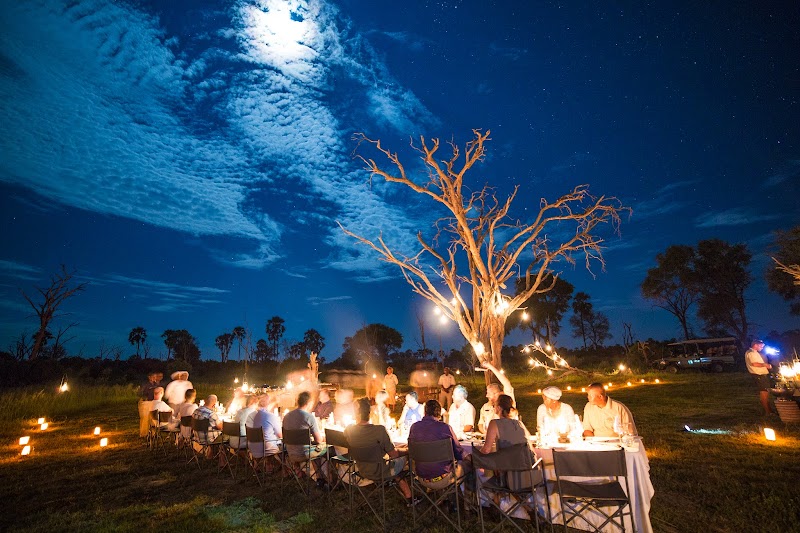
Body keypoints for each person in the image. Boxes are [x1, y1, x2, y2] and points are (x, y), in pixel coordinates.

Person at [345, 398, 414, 503]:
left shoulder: (349, 430)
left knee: (393, 455)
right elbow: (394, 454)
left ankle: (403, 489)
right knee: (404, 456)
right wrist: (407, 450)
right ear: (370, 413)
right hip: (381, 471)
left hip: (362, 469)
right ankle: (411, 495)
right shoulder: (379, 430)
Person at [408, 400, 466, 490]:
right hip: (443, 478)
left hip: (422, 478)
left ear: (425, 412)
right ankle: (470, 501)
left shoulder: (414, 427)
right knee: (468, 465)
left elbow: (411, 451)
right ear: (439, 413)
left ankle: (437, 498)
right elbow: (458, 453)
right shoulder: (445, 427)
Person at [283, 391, 329, 486]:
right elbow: (319, 440)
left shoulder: (286, 416)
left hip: (290, 452)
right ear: (308, 403)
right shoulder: (309, 417)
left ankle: (298, 470)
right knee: (325, 448)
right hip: (304, 454)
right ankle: (323, 478)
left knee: (311, 447)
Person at [477, 361, 515, 434]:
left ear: (498, 393)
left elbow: (506, 383)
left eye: (489, 393)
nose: (486, 396)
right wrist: (485, 433)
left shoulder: (507, 403)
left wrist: (490, 366)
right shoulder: (485, 407)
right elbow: (480, 423)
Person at [247, 394, 283, 471]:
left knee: (268, 437)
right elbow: (280, 435)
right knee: (284, 444)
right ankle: (287, 470)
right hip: (266, 448)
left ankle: (264, 465)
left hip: (252, 447)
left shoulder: (251, 415)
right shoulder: (271, 416)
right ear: (268, 403)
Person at [745, 339, 774, 415]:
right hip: (759, 376)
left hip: (761, 376)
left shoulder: (753, 352)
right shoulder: (751, 353)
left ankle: (769, 411)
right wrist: (766, 365)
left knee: (766, 393)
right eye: (761, 346)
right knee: (764, 393)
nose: (762, 347)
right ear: (755, 345)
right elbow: (754, 364)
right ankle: (768, 412)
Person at [138, 371, 160, 438]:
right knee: (145, 419)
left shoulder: (156, 385)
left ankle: (153, 434)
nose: (154, 378)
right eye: (153, 377)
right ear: (149, 377)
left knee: (153, 419)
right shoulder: (146, 385)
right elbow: (142, 394)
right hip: (146, 403)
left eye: (155, 377)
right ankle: (144, 433)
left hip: (153, 402)